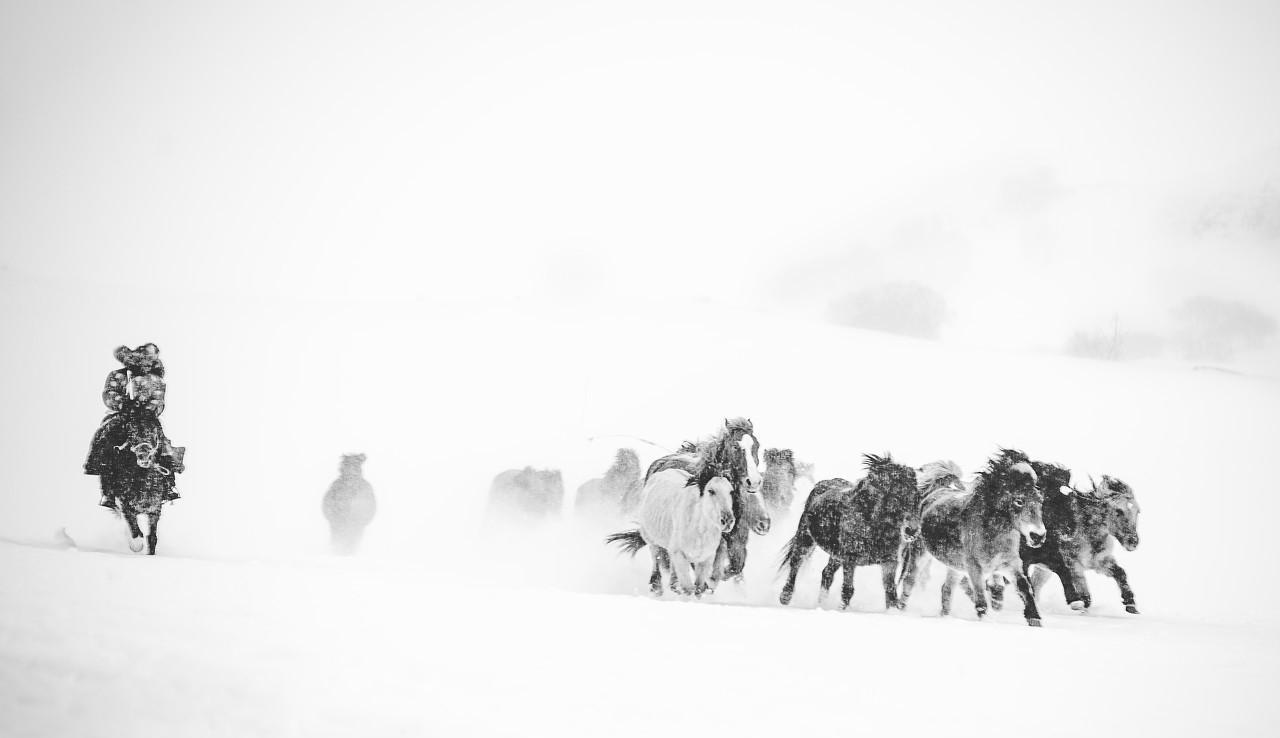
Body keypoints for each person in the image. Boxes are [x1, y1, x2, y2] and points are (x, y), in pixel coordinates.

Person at [84, 344, 185, 507]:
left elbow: (158, 400)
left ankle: (169, 484)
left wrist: (147, 408)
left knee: (162, 442)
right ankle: (105, 483)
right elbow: (109, 394)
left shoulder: (155, 380)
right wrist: (123, 404)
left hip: (146, 417)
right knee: (105, 434)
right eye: (143, 361)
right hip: (123, 416)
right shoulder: (118, 375)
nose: (145, 364)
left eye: (149, 361)